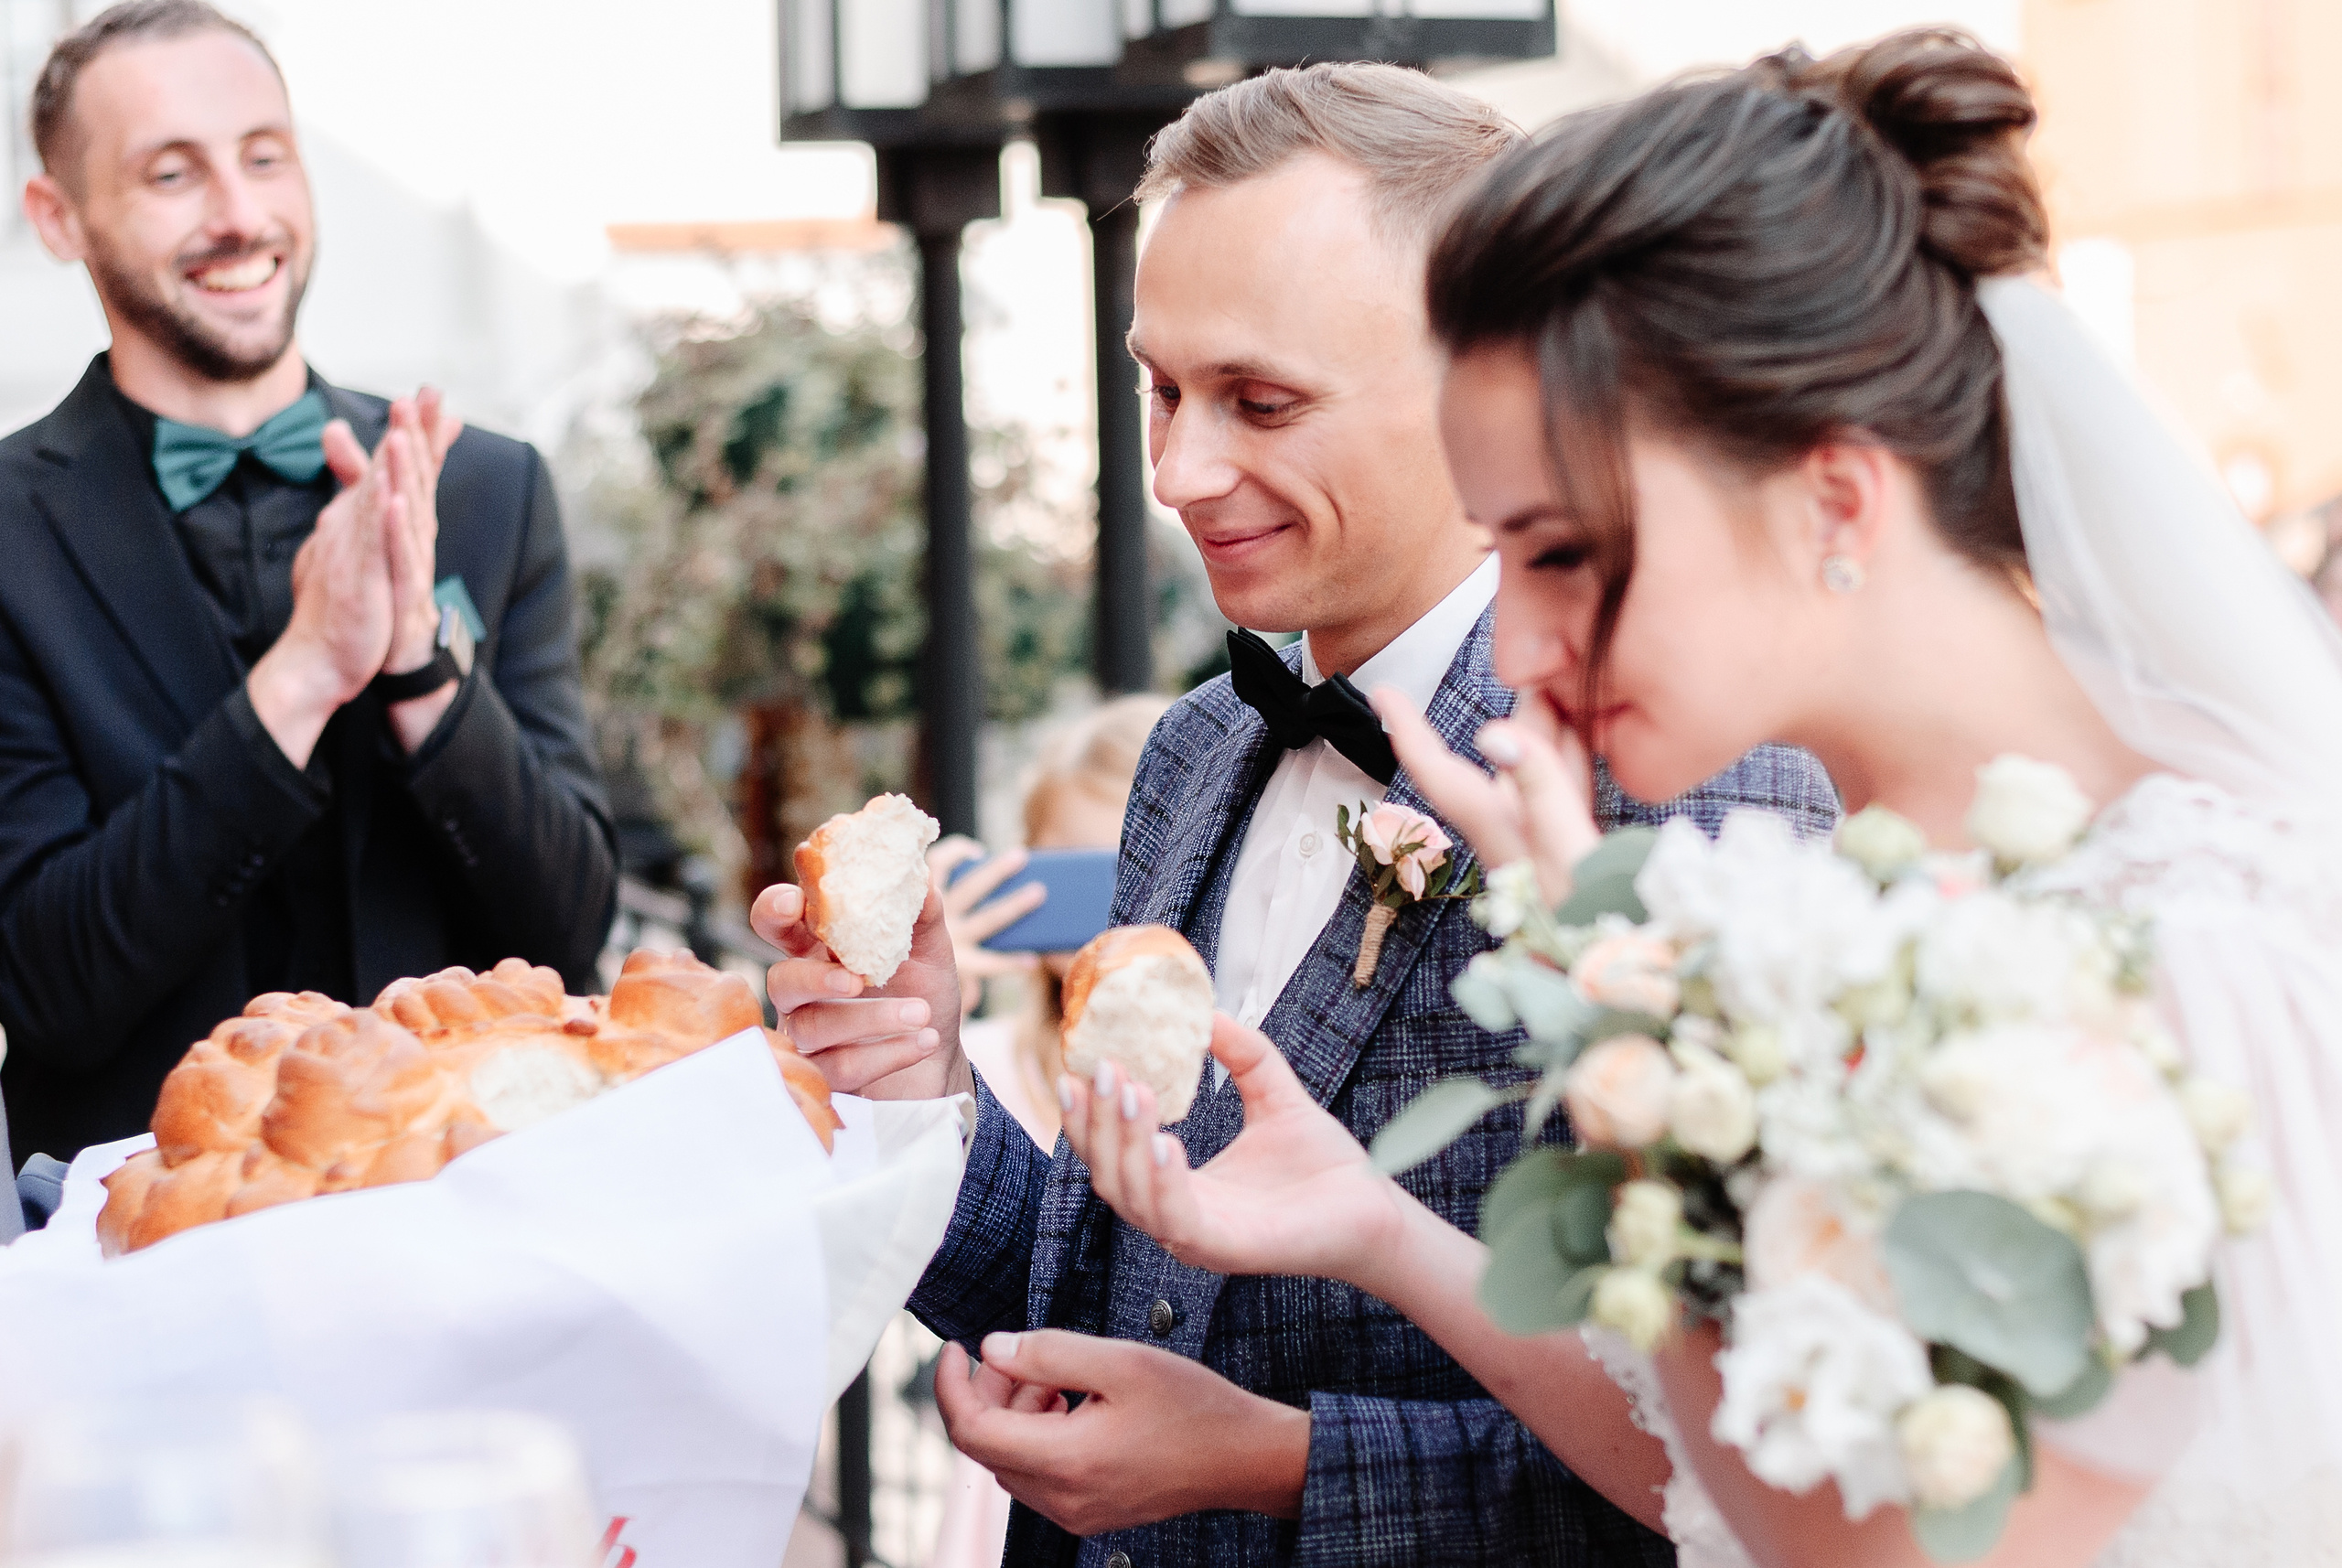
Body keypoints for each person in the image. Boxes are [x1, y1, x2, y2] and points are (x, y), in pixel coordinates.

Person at [1058, 29, 2342, 1568]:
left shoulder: (2202, 936)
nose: (1519, 646)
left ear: (1834, 498)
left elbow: (1916, 1537)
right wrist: (1380, 1220)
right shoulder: (1817, 905)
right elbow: (1726, 1468)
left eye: (1563, 550)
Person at [757, 63, 1839, 1568]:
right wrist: (924, 1076)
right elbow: (1104, 1285)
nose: (1182, 469)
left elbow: (1757, 1462)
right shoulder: (1198, 748)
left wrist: (1277, 1464)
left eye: (1260, 401)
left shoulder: (1689, 783)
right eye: (1161, 385)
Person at [0, 0, 615, 1162]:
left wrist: (418, 665)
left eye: (265, 157)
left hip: (471, 1225)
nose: (239, 216)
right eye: (171, 173)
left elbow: (569, 927)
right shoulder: (7, 536)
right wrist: (299, 678)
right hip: (145, 1259)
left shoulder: (486, 489)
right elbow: (51, 988)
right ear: (59, 216)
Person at [926, 693, 1174, 1568]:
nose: (1113, 922)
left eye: (1139, 877)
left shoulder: (1229, 1084)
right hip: (1010, 1499)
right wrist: (928, 1009)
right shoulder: (978, 1069)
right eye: (1078, 883)